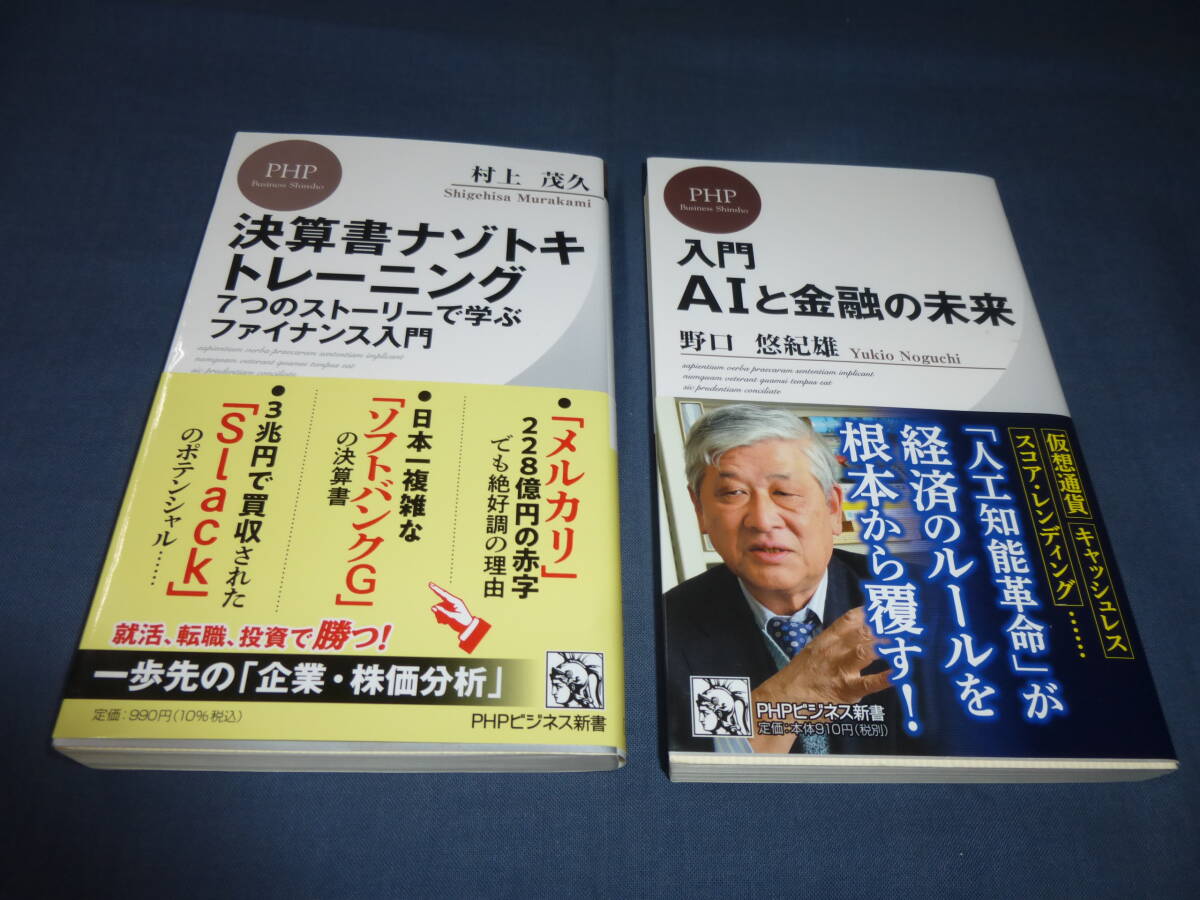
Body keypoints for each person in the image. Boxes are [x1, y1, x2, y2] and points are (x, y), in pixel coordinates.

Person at [663, 404, 894, 753]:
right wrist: (791, 693)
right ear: (700, 512)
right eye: (733, 493)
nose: (762, 520)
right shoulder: (660, 631)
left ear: (834, 508)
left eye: (785, 493)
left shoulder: (925, 601)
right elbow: (683, 769)